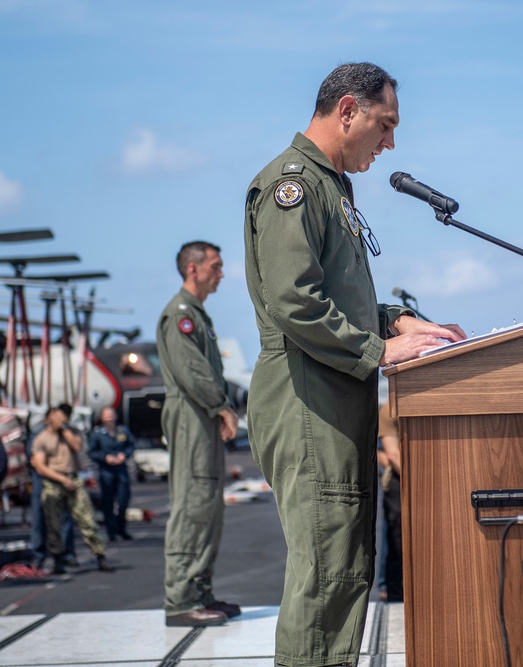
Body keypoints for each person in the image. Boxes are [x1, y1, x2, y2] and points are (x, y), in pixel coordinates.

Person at [243, 62, 465, 666]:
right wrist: (378, 350)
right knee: (325, 572)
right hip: (307, 399)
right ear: (347, 111)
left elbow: (335, 292)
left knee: (342, 568)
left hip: (332, 397)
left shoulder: (331, 186)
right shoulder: (295, 184)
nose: (390, 142)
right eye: (384, 125)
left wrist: (394, 320)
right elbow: (293, 298)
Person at [156, 241, 241, 627]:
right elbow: (193, 372)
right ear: (193, 268)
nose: (221, 273)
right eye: (215, 266)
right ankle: (181, 600)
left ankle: (200, 592)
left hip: (200, 415)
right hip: (192, 414)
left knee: (207, 506)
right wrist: (221, 406)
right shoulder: (180, 315)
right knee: (192, 506)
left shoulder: (197, 315)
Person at [30, 406, 114, 574]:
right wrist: (62, 479)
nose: (60, 420)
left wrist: (65, 429)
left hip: (73, 478)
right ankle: (58, 560)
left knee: (87, 519)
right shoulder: (42, 438)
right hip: (54, 481)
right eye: (56, 417)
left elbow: (77, 447)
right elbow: (40, 466)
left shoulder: (72, 432)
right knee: (54, 523)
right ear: (48, 419)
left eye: (63, 417)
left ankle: (100, 555)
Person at [88, 406, 136, 541]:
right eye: (106, 415)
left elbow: (131, 445)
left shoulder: (122, 430)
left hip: (121, 470)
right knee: (107, 503)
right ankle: (112, 532)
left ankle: (122, 529)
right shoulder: (97, 433)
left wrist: (124, 455)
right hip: (106, 471)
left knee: (123, 501)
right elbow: (92, 452)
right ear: (102, 418)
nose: (109, 417)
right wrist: (105, 457)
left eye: (111, 414)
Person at [377, 403, 403, 602]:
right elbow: (392, 453)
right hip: (400, 479)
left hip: (434, 481)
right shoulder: (390, 408)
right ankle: (394, 595)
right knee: (396, 540)